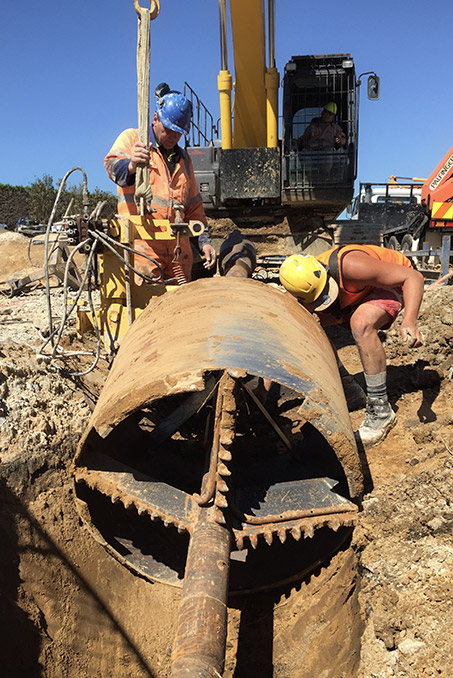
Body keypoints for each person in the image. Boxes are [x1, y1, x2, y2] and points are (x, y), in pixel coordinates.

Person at [279, 244, 425, 448]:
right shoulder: (298, 292)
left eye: (325, 294)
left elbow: (413, 277)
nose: (324, 302)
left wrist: (409, 321)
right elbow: (281, 332)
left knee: (361, 323)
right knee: (307, 325)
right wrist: (263, 390)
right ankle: (348, 391)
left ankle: (381, 411)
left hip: (393, 282)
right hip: (358, 291)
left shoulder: (352, 266)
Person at [104, 84, 216, 284]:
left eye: (179, 132)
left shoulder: (184, 160)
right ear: (155, 119)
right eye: (169, 129)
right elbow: (111, 166)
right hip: (143, 250)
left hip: (178, 255)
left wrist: (204, 242)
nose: (174, 136)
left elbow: (193, 207)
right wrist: (130, 165)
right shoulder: (133, 139)